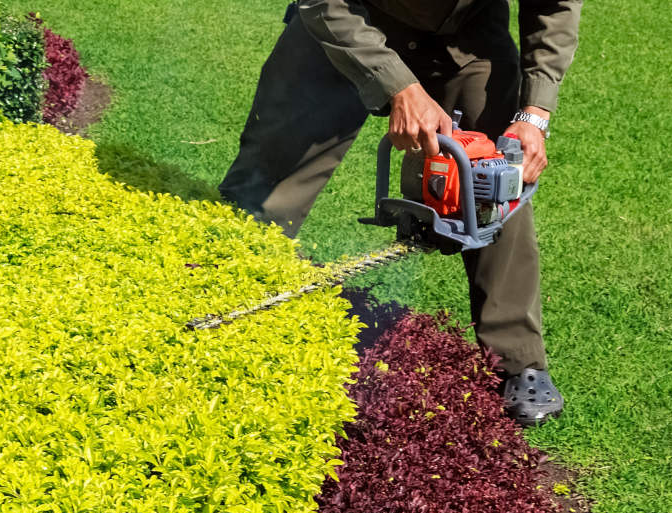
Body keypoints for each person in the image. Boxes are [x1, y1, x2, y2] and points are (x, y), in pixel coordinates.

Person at [218, 0, 582, 427]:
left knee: (493, 177)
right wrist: (398, 87)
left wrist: (534, 114)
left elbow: (554, 6)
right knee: (268, 182)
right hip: (346, 21)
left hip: (464, 35)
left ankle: (520, 361)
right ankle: (222, 293)